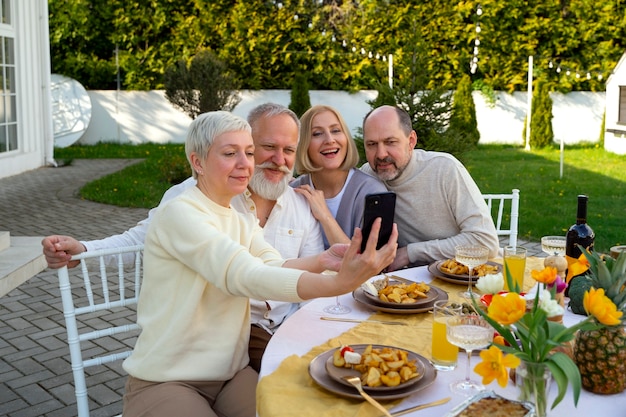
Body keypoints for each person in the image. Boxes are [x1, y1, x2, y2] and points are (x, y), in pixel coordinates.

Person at [121, 110, 397, 417]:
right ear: (197, 162)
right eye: (230, 153)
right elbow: (244, 274)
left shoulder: (241, 218)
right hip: (168, 379)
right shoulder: (181, 213)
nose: (244, 163)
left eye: (249, 152)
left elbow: (272, 265)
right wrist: (337, 283)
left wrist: (322, 261)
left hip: (230, 374)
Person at [42, 103, 325, 372]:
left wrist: (308, 327)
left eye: (288, 149)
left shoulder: (301, 205)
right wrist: (83, 250)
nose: (279, 160)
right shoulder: (197, 196)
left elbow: (306, 276)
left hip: (286, 325)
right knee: (294, 382)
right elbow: (140, 242)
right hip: (233, 329)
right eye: (268, 147)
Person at [361, 105, 499, 271]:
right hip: (404, 282)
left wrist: (409, 253)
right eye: (372, 144)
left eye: (390, 142)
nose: (381, 154)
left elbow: (486, 243)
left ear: (411, 141)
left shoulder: (445, 169)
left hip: (457, 277)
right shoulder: (368, 177)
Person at [291, 104, 387, 249]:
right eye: (317, 133)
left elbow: (370, 263)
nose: (329, 140)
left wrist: (324, 216)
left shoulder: (373, 193)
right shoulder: (293, 192)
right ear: (303, 143)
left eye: (336, 131)